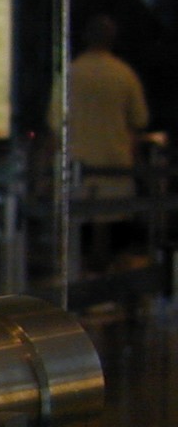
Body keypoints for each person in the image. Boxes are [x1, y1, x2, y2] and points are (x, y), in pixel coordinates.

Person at [49, 15, 158, 272]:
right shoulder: (124, 74)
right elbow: (139, 120)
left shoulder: (71, 73)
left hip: (77, 172)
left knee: (80, 245)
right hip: (116, 170)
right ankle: (111, 286)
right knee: (116, 243)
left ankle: (83, 283)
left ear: (86, 37)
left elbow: (55, 122)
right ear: (113, 39)